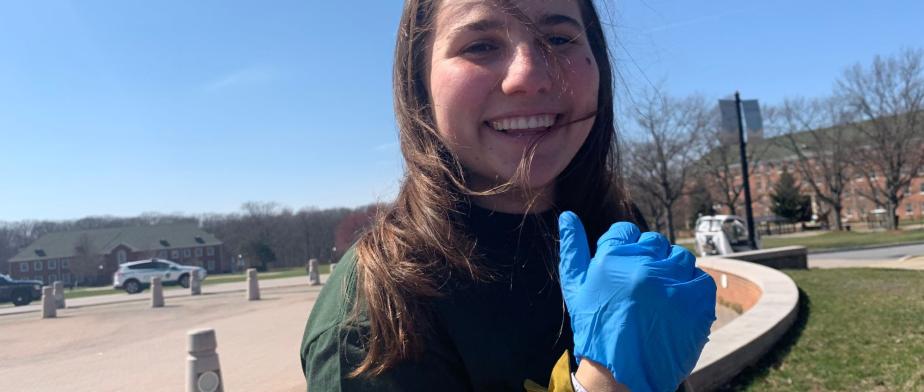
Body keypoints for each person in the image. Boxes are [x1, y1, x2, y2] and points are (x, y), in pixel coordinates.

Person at [300, 0, 716, 391]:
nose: (528, 77)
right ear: (419, 83)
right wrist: (604, 382)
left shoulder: (616, 227)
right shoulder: (373, 315)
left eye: (559, 39)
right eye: (480, 45)